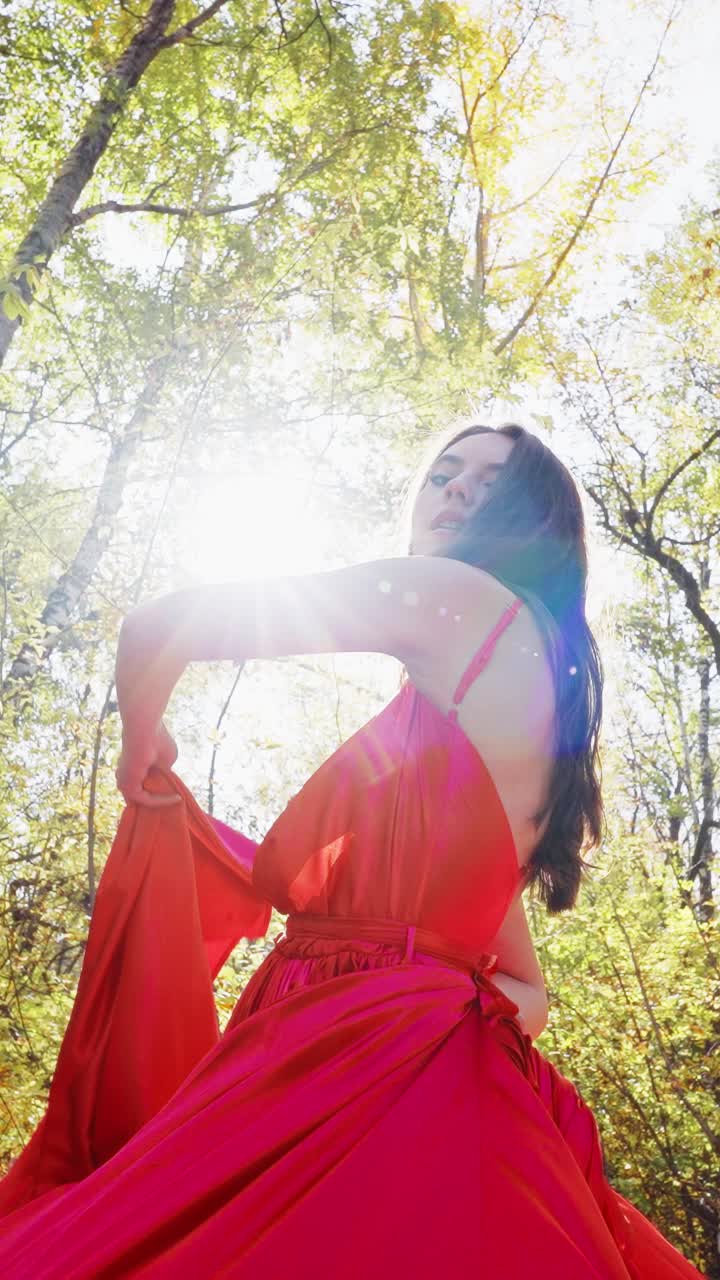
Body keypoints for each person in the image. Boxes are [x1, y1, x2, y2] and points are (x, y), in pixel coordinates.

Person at [0, 424, 706, 1278]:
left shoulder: (464, 604)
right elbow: (525, 990)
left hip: (341, 1058)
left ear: (535, 520)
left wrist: (140, 753)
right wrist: (431, 1022)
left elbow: (159, 626)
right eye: (442, 473)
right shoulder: (523, 690)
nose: (451, 491)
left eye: (487, 484)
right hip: (401, 1063)